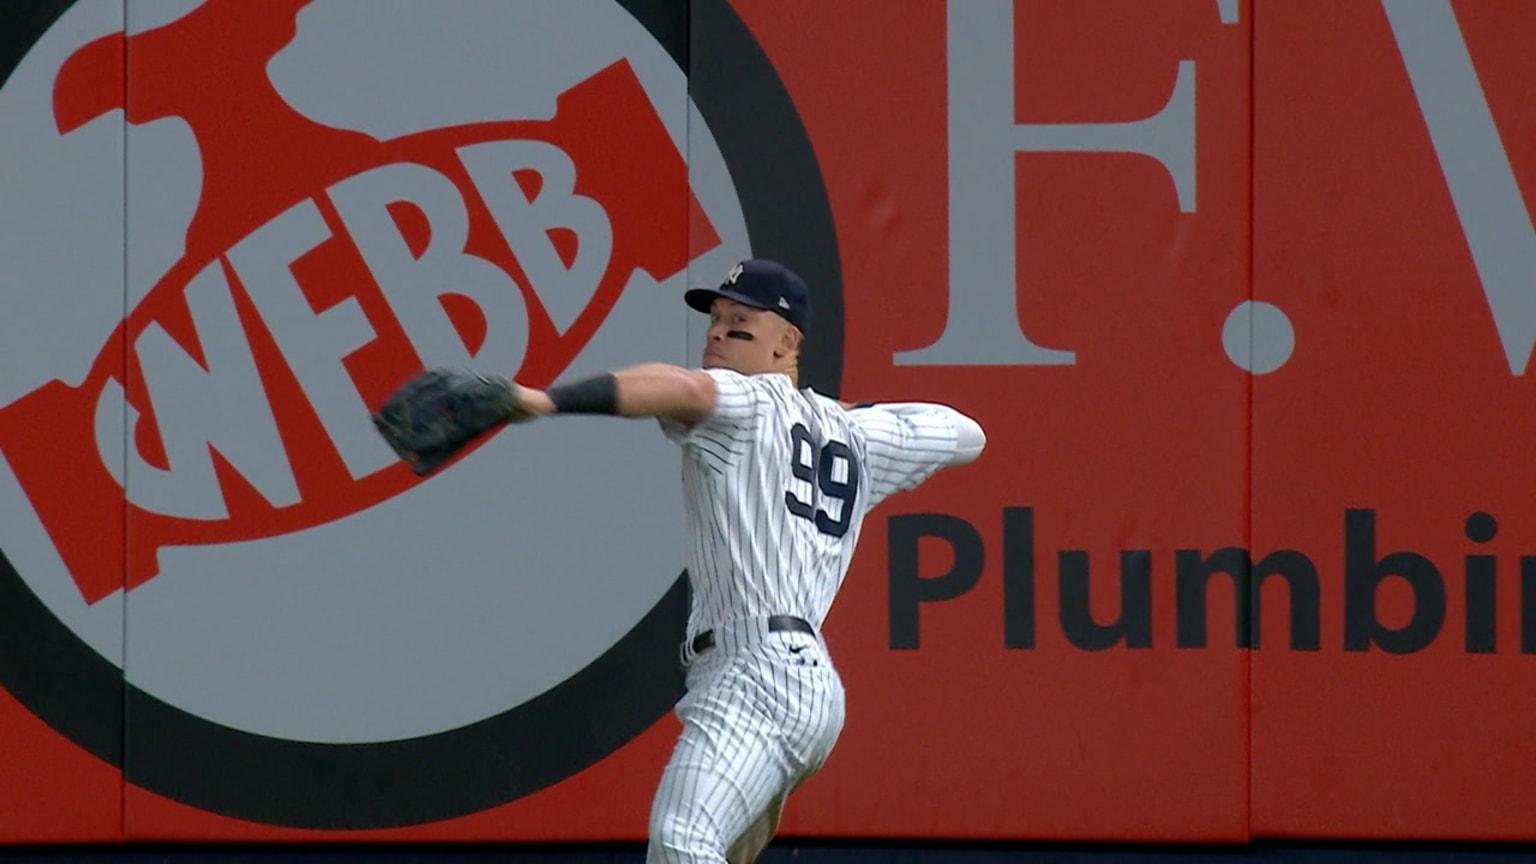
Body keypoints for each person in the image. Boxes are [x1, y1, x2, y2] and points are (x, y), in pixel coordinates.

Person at [511, 259, 987, 863]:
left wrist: (541, 401)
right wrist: (835, 415)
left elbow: (680, 387)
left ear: (788, 342)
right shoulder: (855, 434)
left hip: (753, 671)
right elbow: (966, 434)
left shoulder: (747, 399)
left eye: (740, 325)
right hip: (809, 688)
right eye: (714, 320)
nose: (716, 334)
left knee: (682, 843)